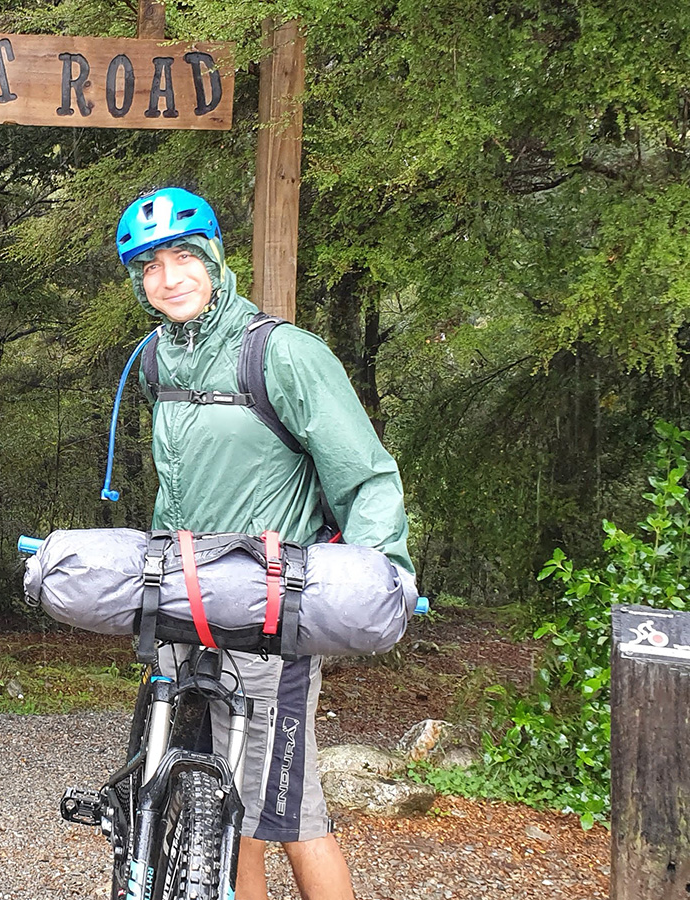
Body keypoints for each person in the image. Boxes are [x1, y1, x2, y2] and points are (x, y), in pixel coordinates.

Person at [113, 187, 414, 900]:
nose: (170, 277)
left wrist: (380, 575)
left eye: (185, 256)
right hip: (187, 608)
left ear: (216, 259)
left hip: (268, 613)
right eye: (150, 265)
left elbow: (365, 478)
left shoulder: (281, 354)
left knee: (291, 808)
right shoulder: (156, 360)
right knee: (223, 809)